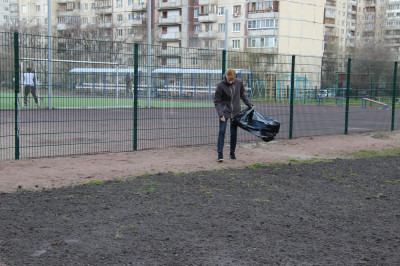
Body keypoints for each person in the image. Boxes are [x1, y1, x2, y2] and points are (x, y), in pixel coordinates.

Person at [214, 68, 253, 162]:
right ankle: (220, 154)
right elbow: (217, 101)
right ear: (226, 77)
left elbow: (242, 94)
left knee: (233, 133)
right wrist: (220, 114)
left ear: (235, 78)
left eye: (232, 80)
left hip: (236, 112)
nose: (230, 82)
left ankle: (232, 153)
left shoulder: (239, 82)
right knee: (222, 132)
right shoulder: (220, 85)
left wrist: (249, 104)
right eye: (229, 80)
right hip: (224, 112)